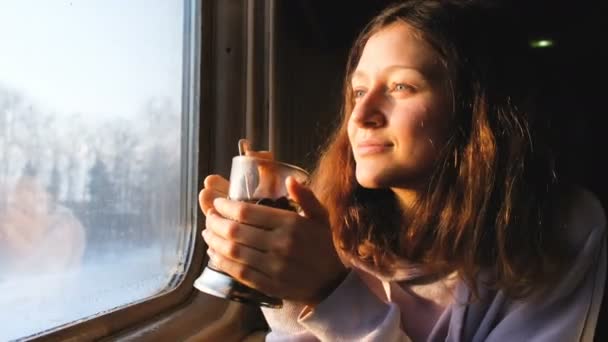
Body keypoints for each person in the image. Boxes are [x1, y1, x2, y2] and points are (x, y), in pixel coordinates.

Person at [199, 1, 606, 341]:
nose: (360, 116)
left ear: (475, 110)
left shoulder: (559, 230)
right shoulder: (330, 228)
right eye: (358, 92)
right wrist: (281, 281)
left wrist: (331, 294)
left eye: (400, 87)